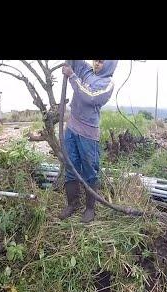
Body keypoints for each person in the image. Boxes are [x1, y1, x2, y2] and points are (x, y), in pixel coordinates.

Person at [59, 60, 118, 223]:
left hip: (88, 133)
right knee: (70, 166)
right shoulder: (86, 71)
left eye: (101, 61)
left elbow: (89, 98)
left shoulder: (107, 84)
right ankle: (72, 204)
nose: (97, 64)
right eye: (96, 60)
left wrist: (72, 76)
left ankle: (90, 208)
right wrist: (73, 72)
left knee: (89, 171)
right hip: (72, 127)